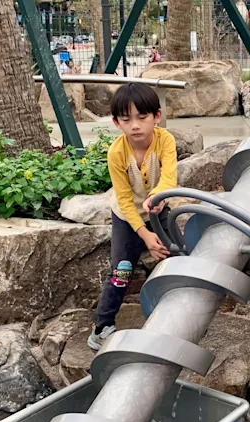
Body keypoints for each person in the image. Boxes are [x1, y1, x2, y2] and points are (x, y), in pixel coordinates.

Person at [88, 84, 178, 351]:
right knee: (121, 270)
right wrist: (144, 234)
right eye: (126, 120)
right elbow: (124, 200)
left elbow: (169, 178)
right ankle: (102, 326)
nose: (135, 126)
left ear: (157, 116)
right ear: (117, 122)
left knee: (176, 256)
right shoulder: (117, 153)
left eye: (142, 117)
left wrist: (157, 197)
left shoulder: (165, 141)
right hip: (127, 219)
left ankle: (176, 315)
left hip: (159, 210)